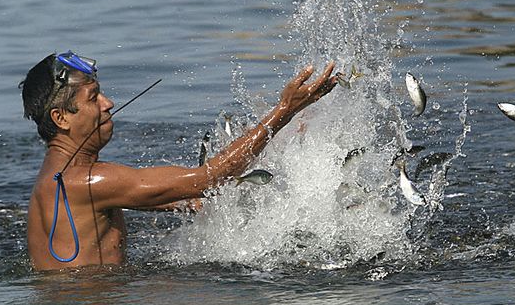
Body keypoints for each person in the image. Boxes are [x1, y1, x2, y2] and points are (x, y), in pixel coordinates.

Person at [20, 51, 336, 271]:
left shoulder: (58, 177)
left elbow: (190, 196)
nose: (108, 103)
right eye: (93, 98)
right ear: (60, 118)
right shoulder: (85, 181)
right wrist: (284, 111)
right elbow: (209, 178)